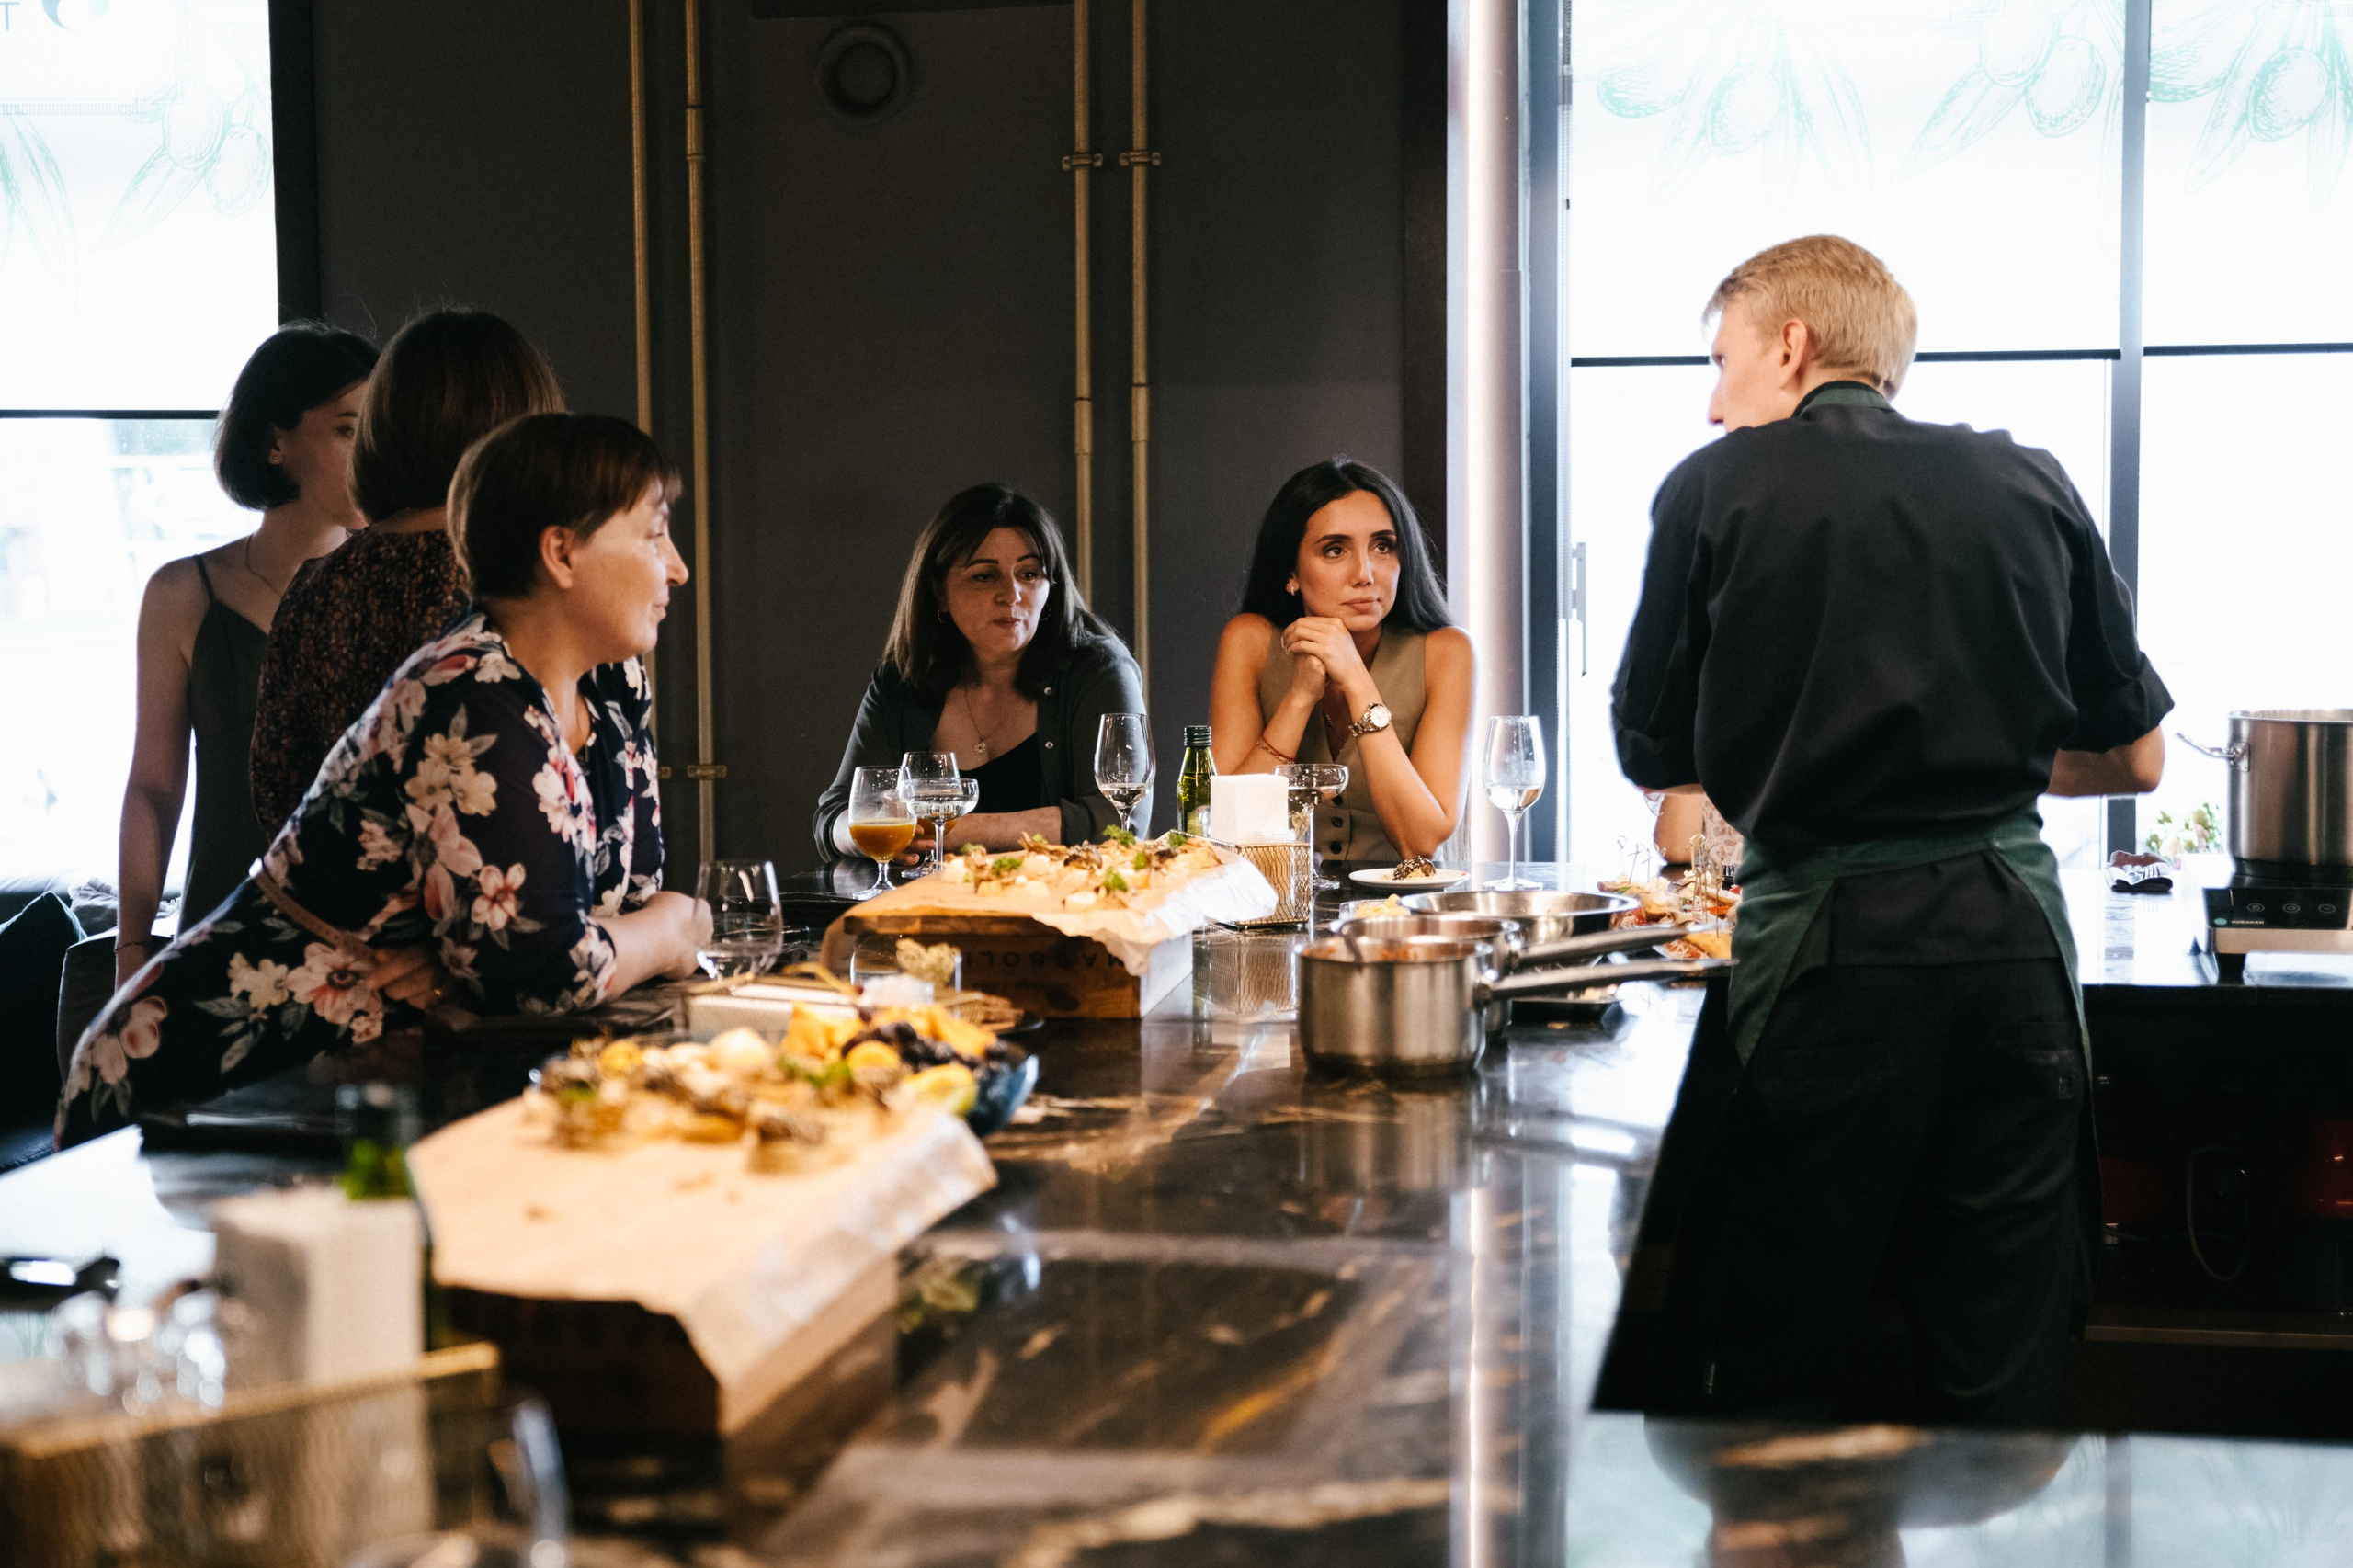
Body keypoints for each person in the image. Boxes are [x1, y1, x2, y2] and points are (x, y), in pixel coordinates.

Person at [1610, 235, 2171, 1426]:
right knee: (2001, 1370)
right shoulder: (2032, 479)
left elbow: (1652, 752)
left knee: (1780, 1368)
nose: (1715, 404)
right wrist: (1986, 756)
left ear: (1793, 345)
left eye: (1722, 363)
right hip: (2012, 949)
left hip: (1830, 962)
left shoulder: (1715, 488)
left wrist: (1791, 736)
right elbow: (2136, 754)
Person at [59, 413, 710, 1147]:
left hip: (363, 1086)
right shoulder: (472, 695)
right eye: (654, 534)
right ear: (561, 552)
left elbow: (585, 925)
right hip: (212, 1078)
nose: (677, 567)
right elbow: (549, 971)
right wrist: (674, 929)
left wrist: (484, 967)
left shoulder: (607, 705)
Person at [115, 324, 380, 987]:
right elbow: (153, 786)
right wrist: (131, 949)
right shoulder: (184, 592)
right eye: (349, 430)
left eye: (380, 432)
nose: (372, 454)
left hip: (368, 941)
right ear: (275, 440)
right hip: (221, 925)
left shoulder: (396, 587)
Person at [249, 309, 564, 830]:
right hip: (512, 894)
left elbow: (279, 794)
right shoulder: (529, 576)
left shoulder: (313, 587)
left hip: (349, 900)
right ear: (523, 428)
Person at [813, 483, 1144, 861]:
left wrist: (950, 831)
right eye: (984, 576)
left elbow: (1122, 820)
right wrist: (867, 834)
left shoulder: (1099, 669)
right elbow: (834, 815)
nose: (1012, 594)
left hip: (1060, 911)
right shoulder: (901, 679)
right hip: (925, 909)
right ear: (939, 590)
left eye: (1030, 573)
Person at [1208, 459, 1472, 863]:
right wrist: (1298, 700)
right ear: (1291, 571)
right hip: (1280, 909)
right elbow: (1228, 830)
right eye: (1335, 550)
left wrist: (1356, 679)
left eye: (1383, 546)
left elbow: (1420, 842)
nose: (1365, 573)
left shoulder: (1447, 652)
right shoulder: (1249, 640)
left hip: (1405, 914)